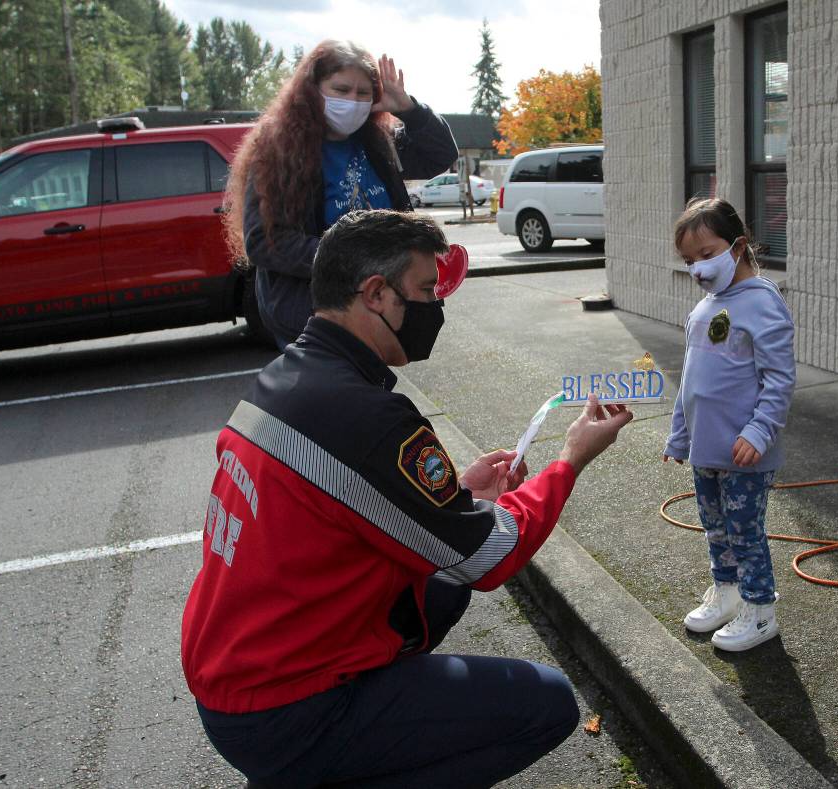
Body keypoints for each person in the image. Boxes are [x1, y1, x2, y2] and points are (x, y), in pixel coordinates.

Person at [181, 209, 633, 788]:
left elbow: (346, 505)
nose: (434, 310)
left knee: (439, 594)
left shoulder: (289, 376)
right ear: (375, 294)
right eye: (424, 292)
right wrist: (570, 460)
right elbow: (491, 556)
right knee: (546, 705)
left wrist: (461, 494)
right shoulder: (365, 416)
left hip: (235, 678)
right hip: (284, 707)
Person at [224, 40, 459, 350]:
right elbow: (266, 241)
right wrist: (355, 258)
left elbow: (440, 155)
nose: (353, 101)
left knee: (371, 392)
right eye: (341, 89)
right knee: (333, 395)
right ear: (312, 89)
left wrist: (410, 110)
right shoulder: (279, 149)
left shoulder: (376, 140)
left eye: (363, 93)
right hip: (317, 317)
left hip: (379, 310)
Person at [662, 197, 796, 652]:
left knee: (745, 530)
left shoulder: (762, 302)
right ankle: (727, 591)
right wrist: (679, 435)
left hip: (745, 451)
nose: (697, 269)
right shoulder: (704, 309)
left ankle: (760, 610)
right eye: (688, 261)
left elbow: (778, 380)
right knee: (714, 524)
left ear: (737, 247)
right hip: (706, 448)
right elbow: (690, 382)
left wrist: (758, 431)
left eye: (706, 254)